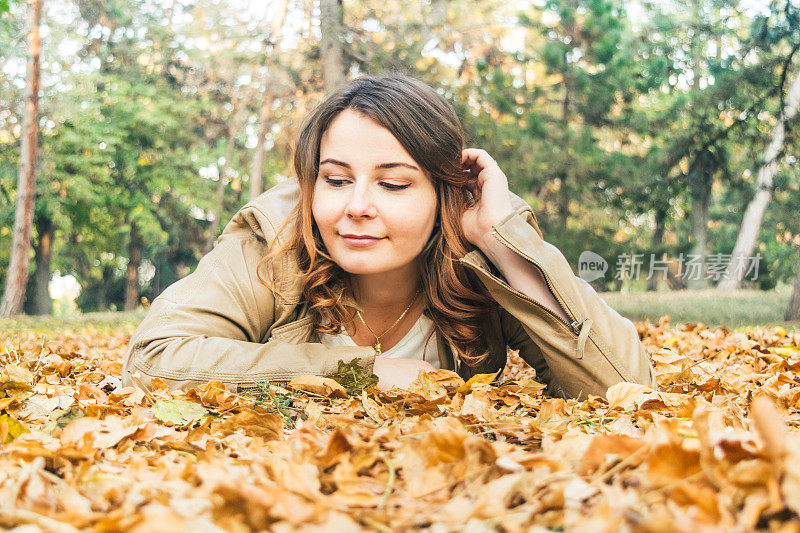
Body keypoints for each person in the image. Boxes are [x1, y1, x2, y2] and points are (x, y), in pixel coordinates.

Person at [121, 73, 655, 399]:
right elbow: (155, 359)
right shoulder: (273, 240)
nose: (356, 207)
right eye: (335, 180)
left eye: (393, 183)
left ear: (443, 192)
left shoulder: (480, 254)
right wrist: (363, 371)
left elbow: (622, 387)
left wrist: (503, 243)